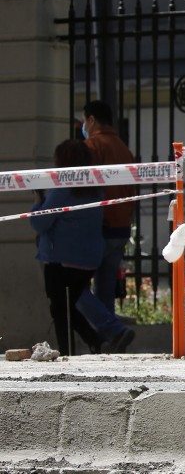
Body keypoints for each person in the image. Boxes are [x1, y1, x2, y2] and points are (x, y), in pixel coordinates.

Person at [30, 140, 105, 356]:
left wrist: (37, 201)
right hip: (89, 260)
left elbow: (40, 222)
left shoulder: (63, 187)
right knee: (65, 307)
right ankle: (93, 339)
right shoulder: (95, 188)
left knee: (60, 309)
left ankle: (69, 351)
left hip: (61, 259)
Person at [80, 101, 136, 322]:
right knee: (105, 291)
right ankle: (110, 342)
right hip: (121, 227)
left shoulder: (93, 146)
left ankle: (111, 329)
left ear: (92, 120)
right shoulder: (123, 148)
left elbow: (86, 187)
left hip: (100, 227)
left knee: (76, 287)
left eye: (85, 121)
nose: (84, 126)